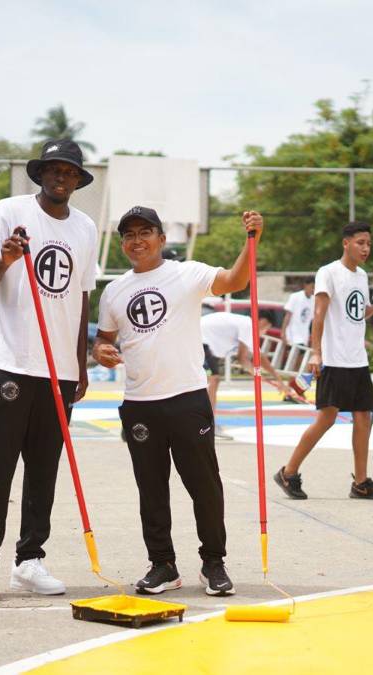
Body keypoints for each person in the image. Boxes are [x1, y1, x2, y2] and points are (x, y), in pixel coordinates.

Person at [93, 206, 267, 597]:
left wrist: (251, 240)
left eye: (145, 232)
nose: (137, 241)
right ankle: (162, 565)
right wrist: (101, 350)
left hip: (187, 397)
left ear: (161, 238)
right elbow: (103, 340)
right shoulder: (115, 291)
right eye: (129, 235)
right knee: (151, 489)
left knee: (204, 485)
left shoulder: (187, 273)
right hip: (139, 402)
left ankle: (213, 562)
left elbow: (235, 280)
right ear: (123, 244)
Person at [0, 139, 98, 603]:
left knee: (43, 470)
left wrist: (79, 366)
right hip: (10, 360)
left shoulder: (85, 228)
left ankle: (29, 560)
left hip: (58, 369)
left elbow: (82, 296)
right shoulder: (9, 211)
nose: (61, 178)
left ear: (78, 180)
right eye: (54, 170)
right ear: (40, 174)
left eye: (70, 172)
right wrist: (5, 259)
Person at [272, 221, 373, 501]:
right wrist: (316, 353)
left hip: (356, 360)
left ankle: (361, 483)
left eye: (369, 244)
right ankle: (288, 473)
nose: (366, 248)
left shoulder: (362, 276)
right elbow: (319, 315)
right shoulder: (328, 273)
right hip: (334, 359)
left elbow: (358, 315)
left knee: (363, 416)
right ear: (346, 243)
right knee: (327, 418)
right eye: (361, 242)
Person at [201, 310, 297, 430]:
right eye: (266, 328)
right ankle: (209, 424)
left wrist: (280, 383)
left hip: (203, 340)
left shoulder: (245, 326)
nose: (264, 332)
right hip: (200, 339)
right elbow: (242, 359)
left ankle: (205, 422)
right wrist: (256, 373)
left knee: (206, 382)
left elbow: (260, 358)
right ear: (262, 321)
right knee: (213, 380)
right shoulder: (248, 325)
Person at [281, 279, 315, 376]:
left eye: (314, 287)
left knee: (299, 363)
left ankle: (295, 386)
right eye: (311, 286)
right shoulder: (295, 297)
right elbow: (288, 315)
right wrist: (283, 333)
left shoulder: (313, 300)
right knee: (293, 362)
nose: (313, 289)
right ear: (305, 285)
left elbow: (312, 321)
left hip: (303, 336)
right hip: (293, 335)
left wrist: (312, 337)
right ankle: (292, 385)